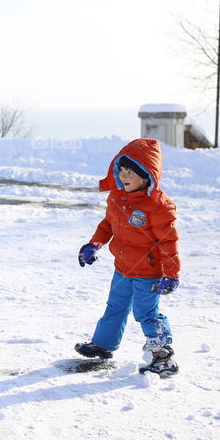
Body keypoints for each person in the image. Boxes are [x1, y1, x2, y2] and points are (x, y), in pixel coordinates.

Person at [74, 138, 181, 377]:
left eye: (130, 171)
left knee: (147, 313)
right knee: (115, 307)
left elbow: (168, 242)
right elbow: (108, 225)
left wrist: (171, 274)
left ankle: (163, 356)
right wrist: (94, 244)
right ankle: (104, 345)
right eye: (121, 170)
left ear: (147, 176)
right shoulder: (117, 197)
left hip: (148, 273)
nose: (124, 176)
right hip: (123, 268)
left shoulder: (158, 206)